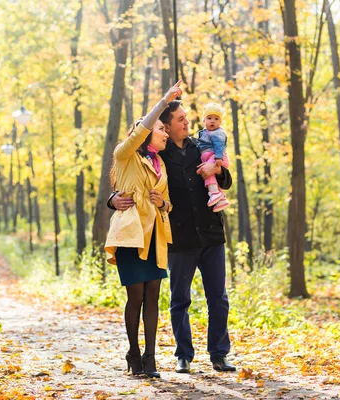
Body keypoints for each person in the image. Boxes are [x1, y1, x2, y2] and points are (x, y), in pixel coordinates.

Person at [110, 100, 236, 373]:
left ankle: (219, 354)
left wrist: (219, 170)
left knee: (219, 298)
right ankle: (184, 355)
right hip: (179, 238)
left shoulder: (201, 146)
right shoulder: (159, 154)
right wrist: (112, 199)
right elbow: (126, 178)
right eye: (181, 119)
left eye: (187, 119)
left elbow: (225, 182)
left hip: (211, 233)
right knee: (180, 299)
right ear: (165, 126)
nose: (187, 123)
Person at [104, 81, 183, 378]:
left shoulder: (160, 163)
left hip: (155, 237)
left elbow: (169, 204)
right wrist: (165, 100)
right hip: (130, 236)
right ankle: (133, 352)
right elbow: (144, 127)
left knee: (153, 296)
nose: (165, 132)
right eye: (160, 129)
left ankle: (150, 359)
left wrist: (164, 203)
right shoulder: (125, 155)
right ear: (146, 133)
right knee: (135, 297)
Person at [197, 102, 230, 212]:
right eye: (209, 118)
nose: (212, 121)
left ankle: (214, 192)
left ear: (220, 122)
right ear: (204, 121)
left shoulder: (217, 132)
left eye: (216, 119)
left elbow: (219, 144)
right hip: (213, 156)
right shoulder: (204, 133)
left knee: (207, 170)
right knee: (213, 175)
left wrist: (218, 157)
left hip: (217, 157)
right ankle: (221, 199)